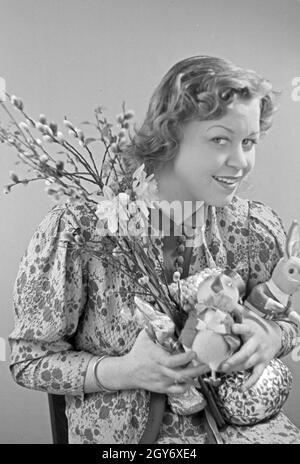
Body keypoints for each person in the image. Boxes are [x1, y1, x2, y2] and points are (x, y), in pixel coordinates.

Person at [9, 55, 300, 444]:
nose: (241, 162)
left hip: (248, 430)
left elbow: (287, 320)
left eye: (249, 142)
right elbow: (28, 358)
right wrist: (125, 371)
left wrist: (271, 338)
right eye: (220, 139)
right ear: (170, 136)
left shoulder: (252, 228)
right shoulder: (79, 232)